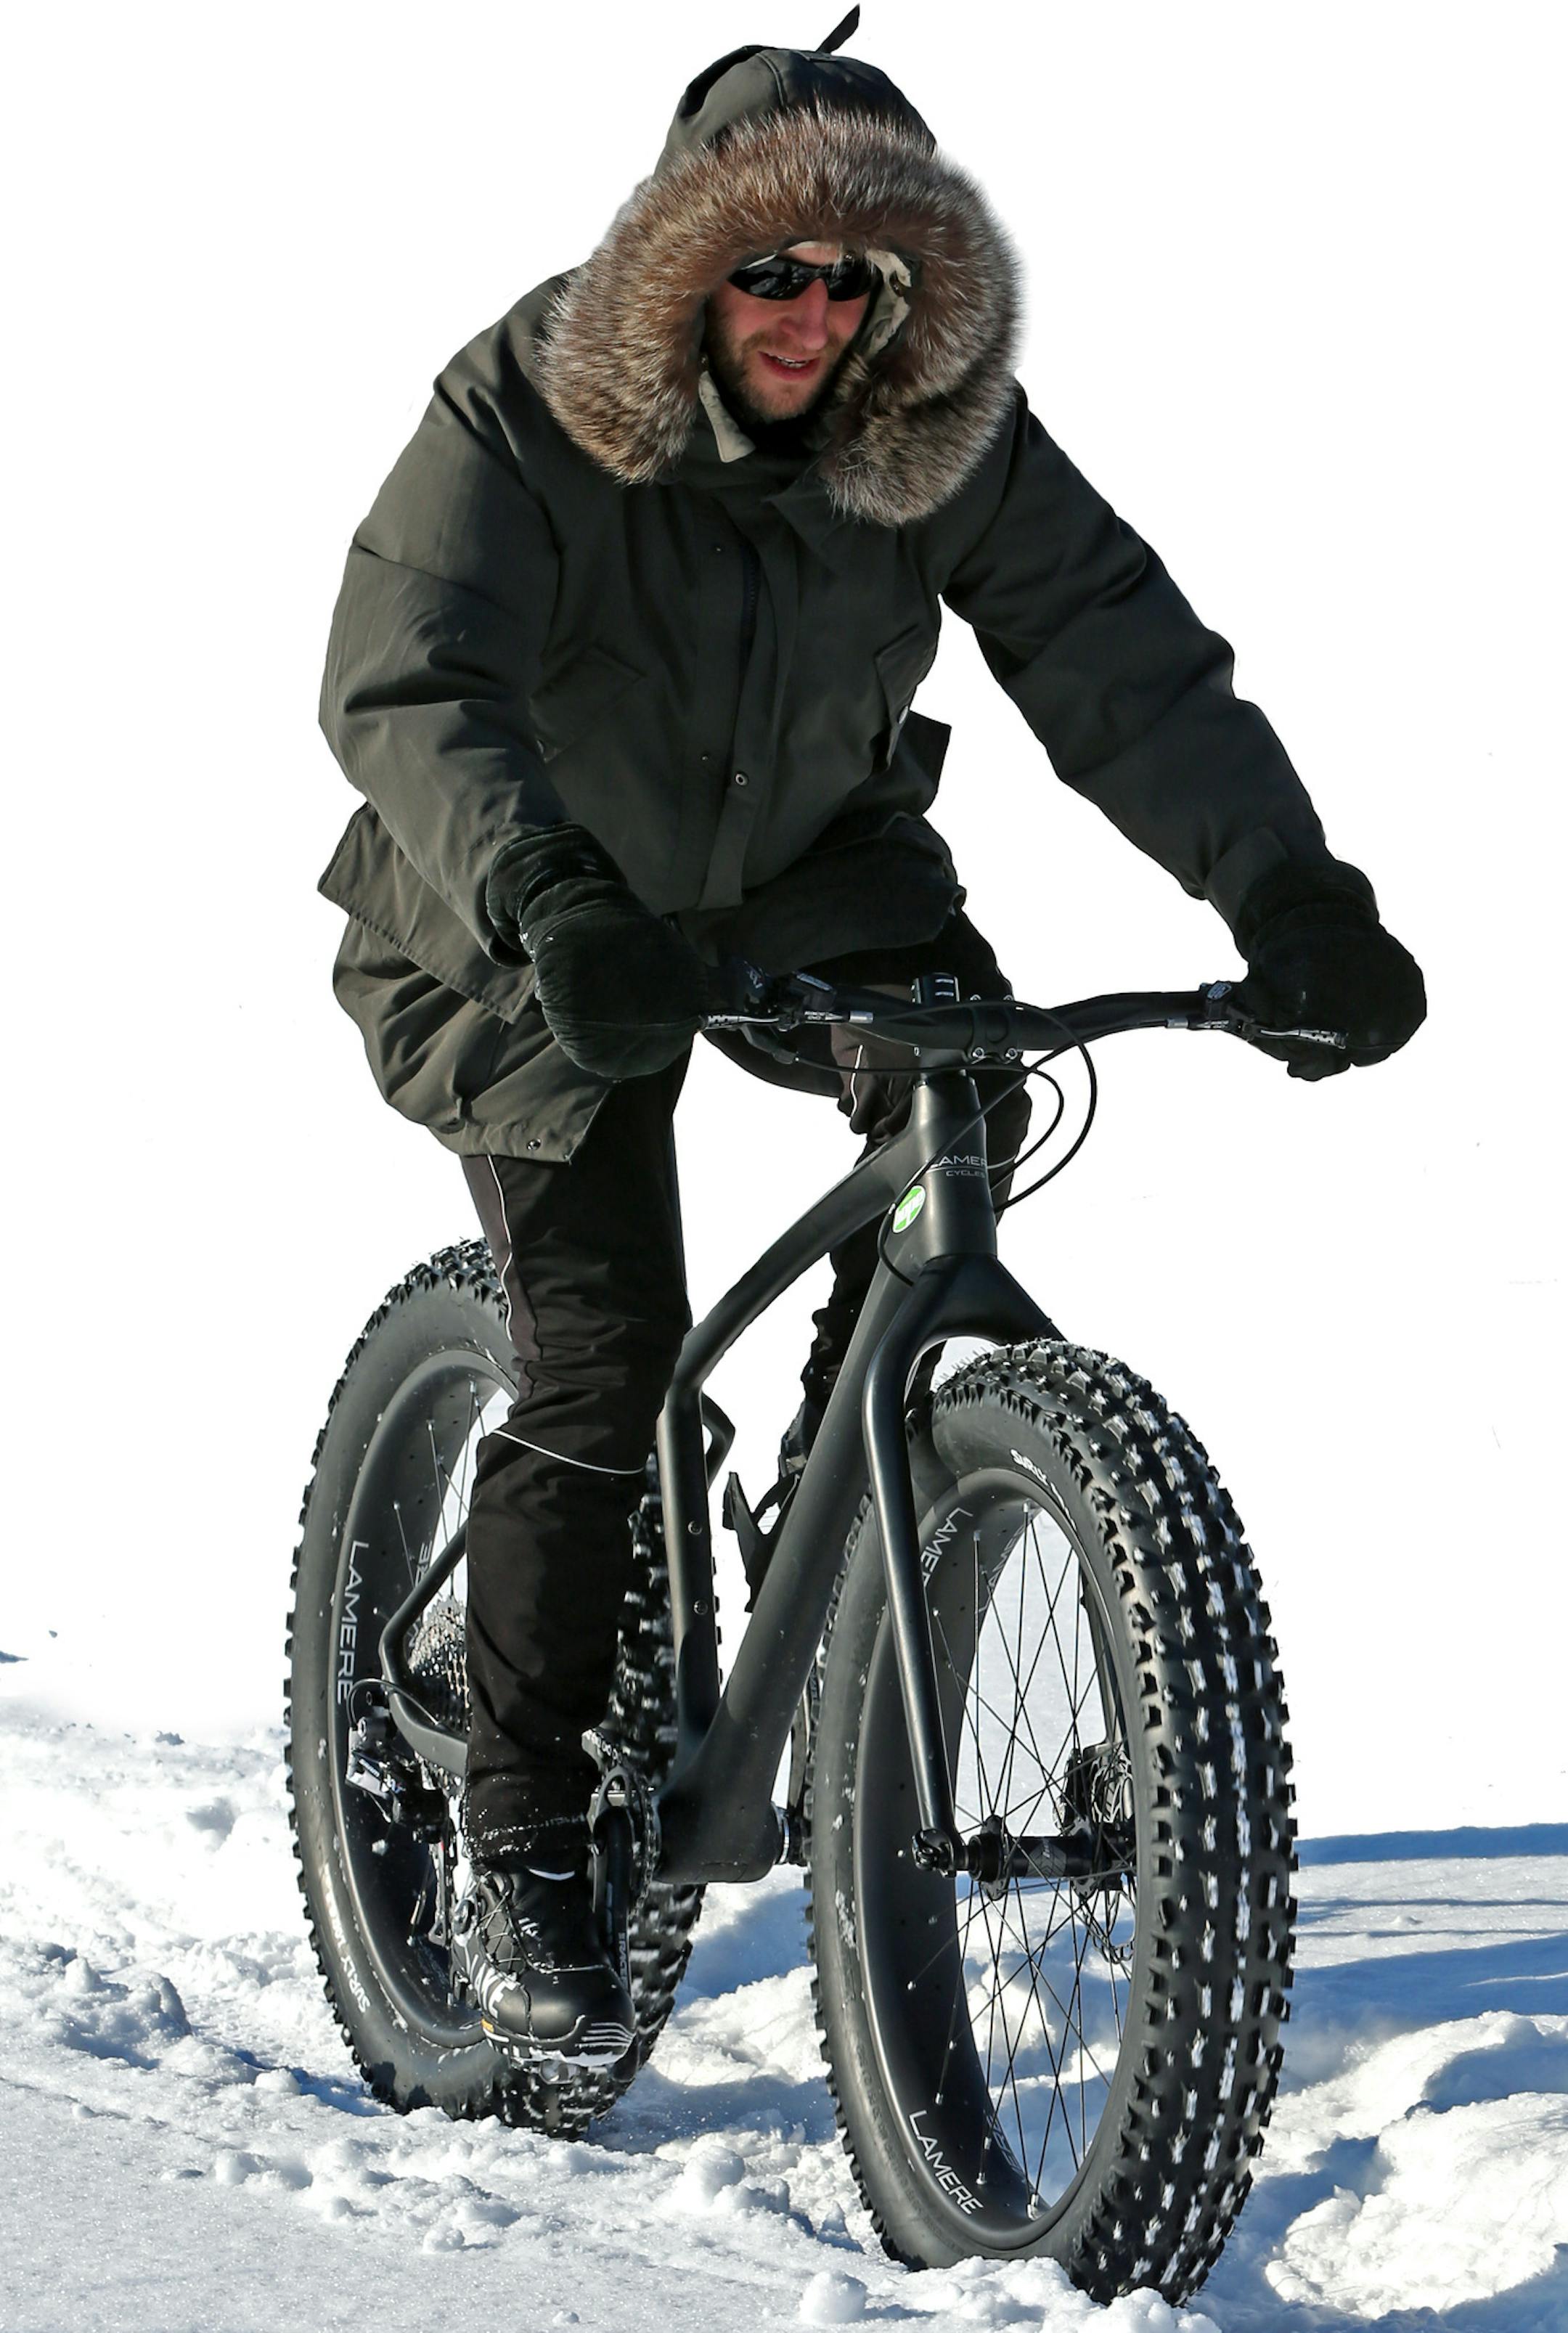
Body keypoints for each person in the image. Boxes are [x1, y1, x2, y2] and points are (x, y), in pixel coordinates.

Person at [317, 23, 1425, 2063]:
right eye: (771, 274)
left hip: (809, 871)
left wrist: (1288, 893)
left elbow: (1119, 654)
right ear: (687, 268)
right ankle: (524, 1823)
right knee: (602, 1340)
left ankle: (867, 1483)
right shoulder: (532, 403)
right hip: (520, 904)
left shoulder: (944, 428)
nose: (815, 317)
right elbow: (406, 679)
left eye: (857, 281)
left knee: (963, 1088)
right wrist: (547, 896)